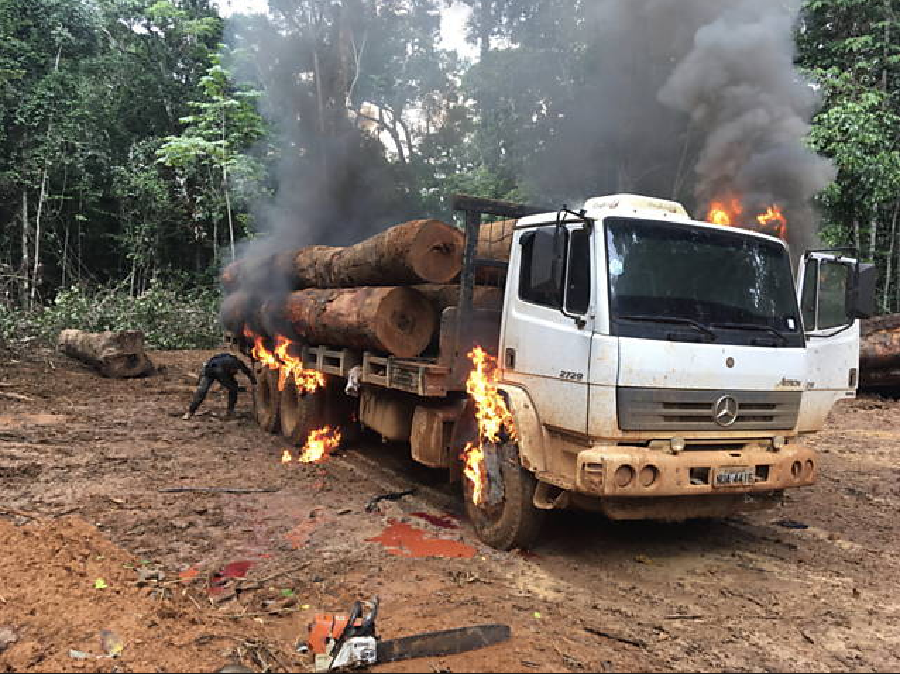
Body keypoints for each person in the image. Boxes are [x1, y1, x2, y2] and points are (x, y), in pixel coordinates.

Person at [182, 353, 256, 420]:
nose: (235, 374)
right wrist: (245, 389)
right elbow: (231, 386)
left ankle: (230, 411)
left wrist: (254, 382)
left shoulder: (237, 362)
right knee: (202, 391)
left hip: (214, 365)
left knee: (232, 385)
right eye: (233, 372)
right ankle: (190, 412)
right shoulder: (221, 371)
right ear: (230, 369)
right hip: (210, 371)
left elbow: (247, 371)